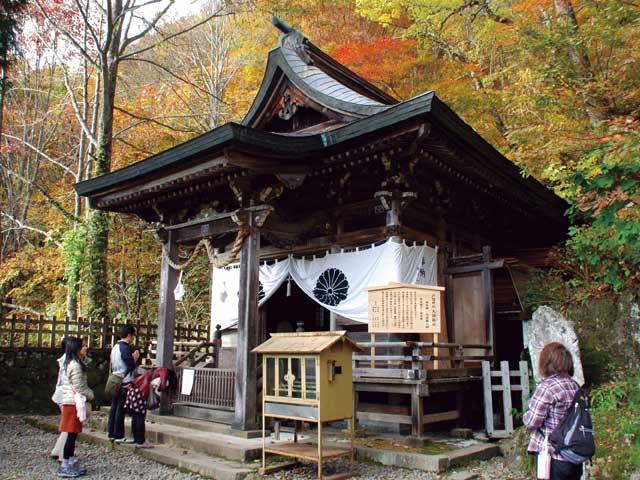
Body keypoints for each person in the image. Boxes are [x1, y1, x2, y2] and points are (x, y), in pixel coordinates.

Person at [523, 342, 582, 480]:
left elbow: (532, 422)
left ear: (546, 362)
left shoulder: (547, 387)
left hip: (553, 455)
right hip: (574, 454)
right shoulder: (574, 385)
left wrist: (526, 416)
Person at [58, 336, 94, 478]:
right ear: (76, 349)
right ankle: (65, 465)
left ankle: (70, 462)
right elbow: (80, 387)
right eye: (83, 346)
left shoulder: (73, 363)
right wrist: (91, 395)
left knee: (72, 434)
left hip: (71, 402)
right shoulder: (75, 365)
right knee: (71, 435)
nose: (85, 348)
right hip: (73, 403)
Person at [123, 367, 177, 448]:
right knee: (140, 417)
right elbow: (162, 385)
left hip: (134, 389)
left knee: (135, 416)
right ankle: (141, 441)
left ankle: (136, 439)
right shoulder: (163, 371)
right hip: (141, 392)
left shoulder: (154, 370)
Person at [107, 324, 139, 443]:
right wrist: (134, 359)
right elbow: (130, 365)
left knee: (114, 407)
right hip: (124, 380)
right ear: (129, 335)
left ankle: (111, 431)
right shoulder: (125, 348)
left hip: (115, 378)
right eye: (132, 336)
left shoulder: (115, 346)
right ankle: (118, 434)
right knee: (120, 408)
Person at [51, 336, 70, 461]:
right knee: (68, 426)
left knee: (66, 425)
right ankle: (63, 455)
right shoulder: (69, 361)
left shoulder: (64, 360)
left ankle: (57, 450)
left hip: (61, 394)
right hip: (66, 395)